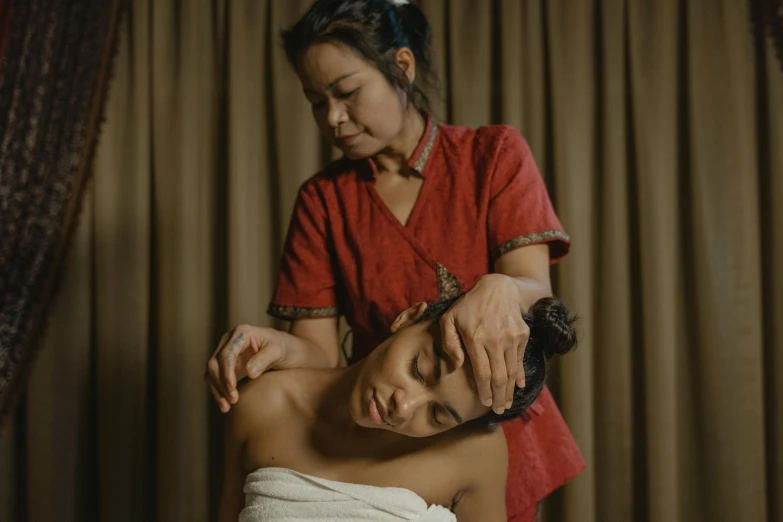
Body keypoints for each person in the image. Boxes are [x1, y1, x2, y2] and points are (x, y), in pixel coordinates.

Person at [205, 0, 584, 519]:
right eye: (316, 102)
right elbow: (318, 356)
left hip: (480, 421)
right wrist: (278, 347)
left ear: (401, 67)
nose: (334, 118)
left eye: (347, 93)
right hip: (389, 426)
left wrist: (500, 285)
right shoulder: (322, 200)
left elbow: (534, 291)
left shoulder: (492, 156)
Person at [219, 296, 577, 522]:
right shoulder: (263, 405)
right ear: (408, 318)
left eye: (437, 416)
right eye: (418, 369)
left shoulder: (475, 452)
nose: (403, 407)